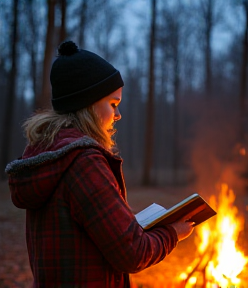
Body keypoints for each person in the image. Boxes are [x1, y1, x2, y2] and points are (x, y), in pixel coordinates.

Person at [5, 41, 195, 288]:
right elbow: (132, 252)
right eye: (113, 104)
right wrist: (173, 233)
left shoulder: (47, 155)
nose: (118, 115)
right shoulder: (84, 162)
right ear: (89, 104)